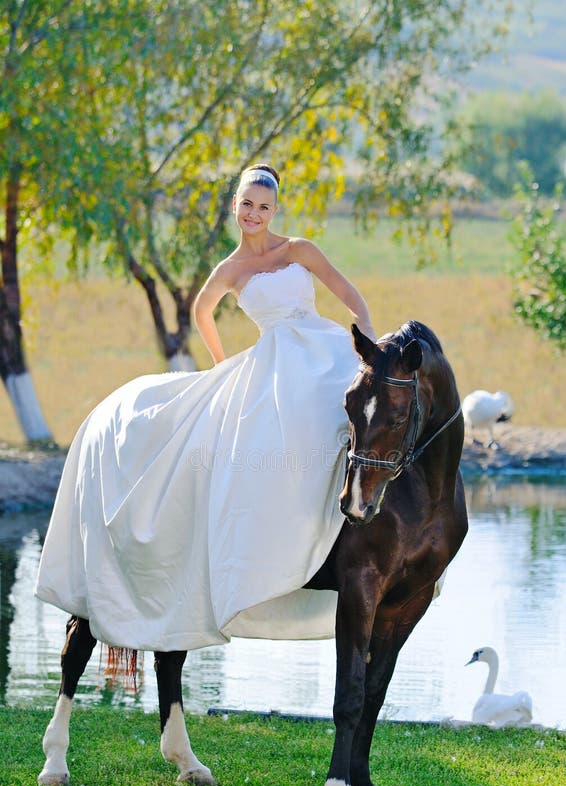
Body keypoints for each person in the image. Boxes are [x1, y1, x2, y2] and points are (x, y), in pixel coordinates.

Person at [35, 164, 376, 652]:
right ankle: (277, 545)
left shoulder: (299, 250)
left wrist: (366, 348)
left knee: (354, 423)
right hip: (273, 357)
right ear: (234, 205)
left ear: (274, 210)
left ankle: (353, 521)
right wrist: (221, 364)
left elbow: (351, 297)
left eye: (263, 206)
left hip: (322, 346)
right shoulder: (230, 270)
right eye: (247, 204)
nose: (254, 214)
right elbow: (201, 310)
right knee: (270, 437)